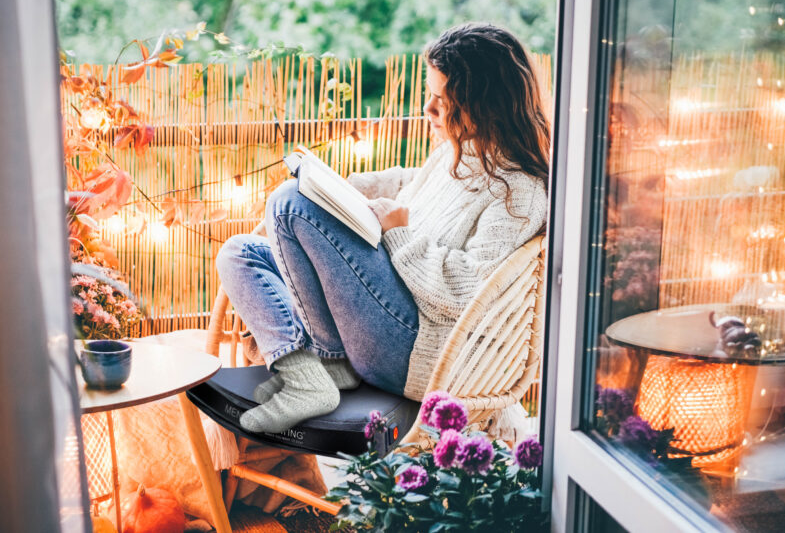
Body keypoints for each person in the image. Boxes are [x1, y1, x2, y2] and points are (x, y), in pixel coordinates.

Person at [216, 23, 550, 434]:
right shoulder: (458, 153)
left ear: (485, 106)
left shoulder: (519, 192)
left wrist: (399, 235)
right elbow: (410, 185)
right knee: (240, 252)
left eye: (442, 101)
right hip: (388, 311)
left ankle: (329, 359)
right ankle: (311, 376)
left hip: (419, 349)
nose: (428, 110)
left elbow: (470, 293)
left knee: (289, 204)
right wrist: (342, 188)